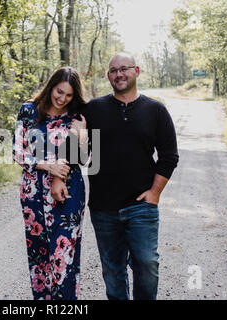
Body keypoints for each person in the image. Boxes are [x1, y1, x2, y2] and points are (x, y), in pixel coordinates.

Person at [82, 52, 179, 300]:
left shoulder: (155, 110)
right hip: (103, 207)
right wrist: (76, 134)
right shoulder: (94, 109)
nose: (119, 74)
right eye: (113, 71)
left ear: (136, 71)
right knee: (113, 271)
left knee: (147, 265)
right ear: (108, 76)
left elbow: (169, 156)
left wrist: (154, 193)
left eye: (124, 68)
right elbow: (78, 157)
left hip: (141, 205)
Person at [12, 66, 88, 300]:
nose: (62, 98)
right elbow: (18, 152)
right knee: (39, 256)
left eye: (68, 95)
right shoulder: (28, 111)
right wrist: (48, 166)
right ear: (51, 86)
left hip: (69, 190)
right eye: (59, 91)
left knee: (64, 256)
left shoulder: (78, 116)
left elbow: (85, 158)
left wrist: (81, 137)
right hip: (33, 193)